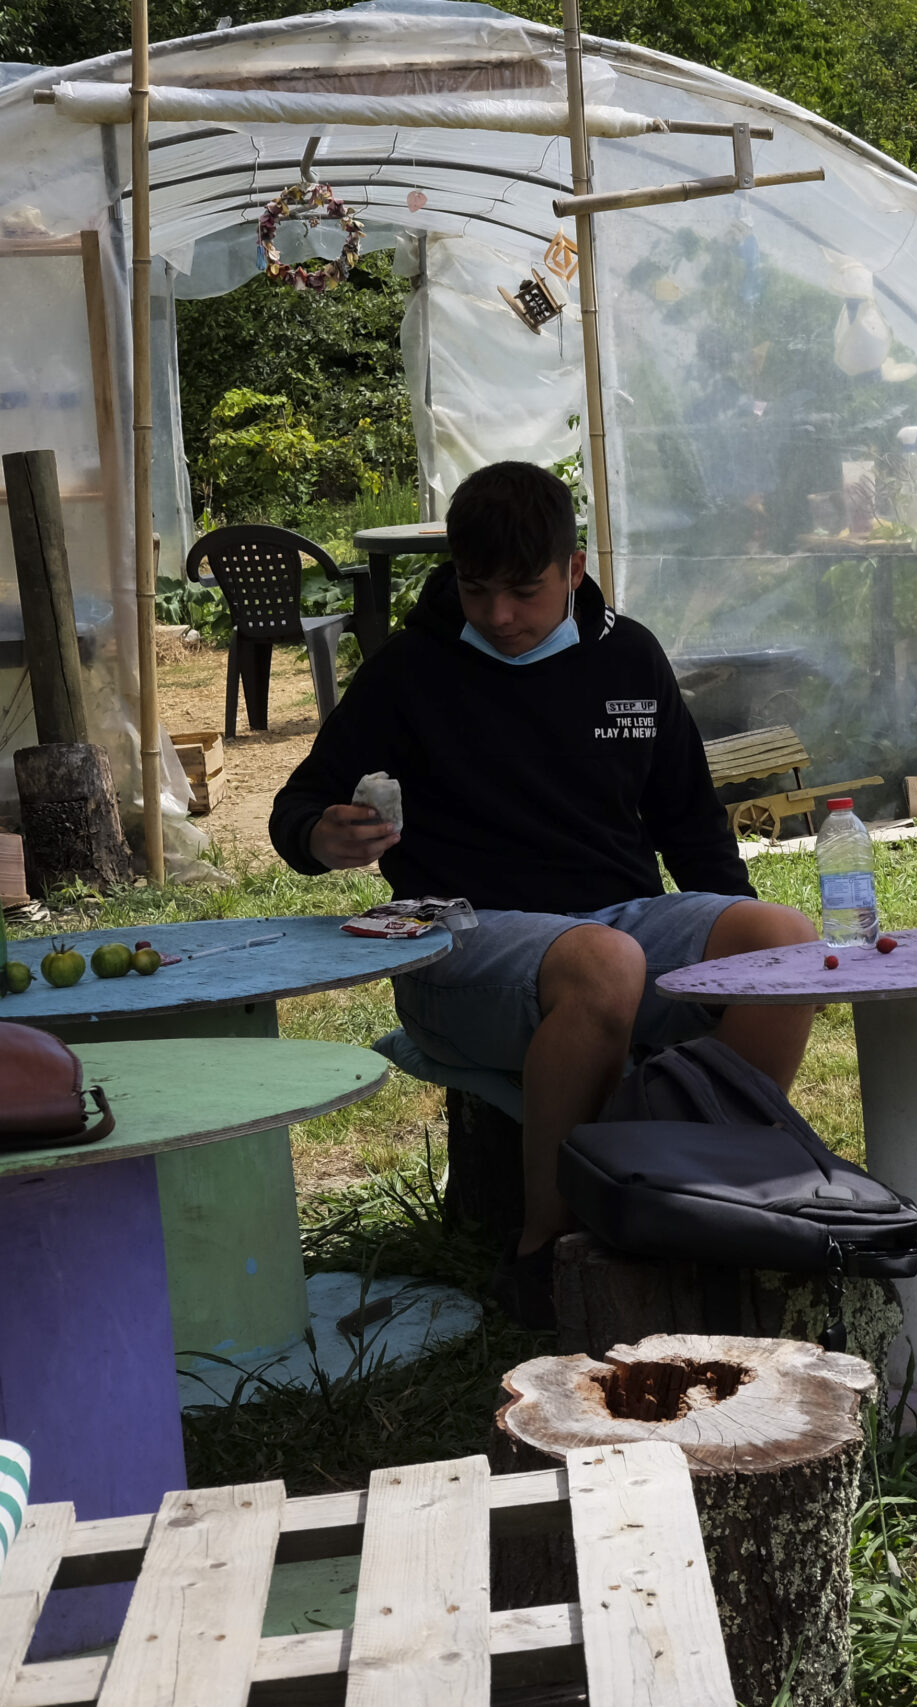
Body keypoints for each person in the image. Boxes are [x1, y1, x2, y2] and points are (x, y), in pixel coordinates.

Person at [269, 460, 817, 1322]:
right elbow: (296, 807)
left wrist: (736, 944)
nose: (499, 615)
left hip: (620, 925)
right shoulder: (413, 670)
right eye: (476, 589)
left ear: (577, 567)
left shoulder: (629, 657)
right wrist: (319, 833)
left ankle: (708, 1200)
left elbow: (691, 824)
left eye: (523, 591)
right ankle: (546, 1257)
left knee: (783, 941)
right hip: (459, 939)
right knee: (605, 965)